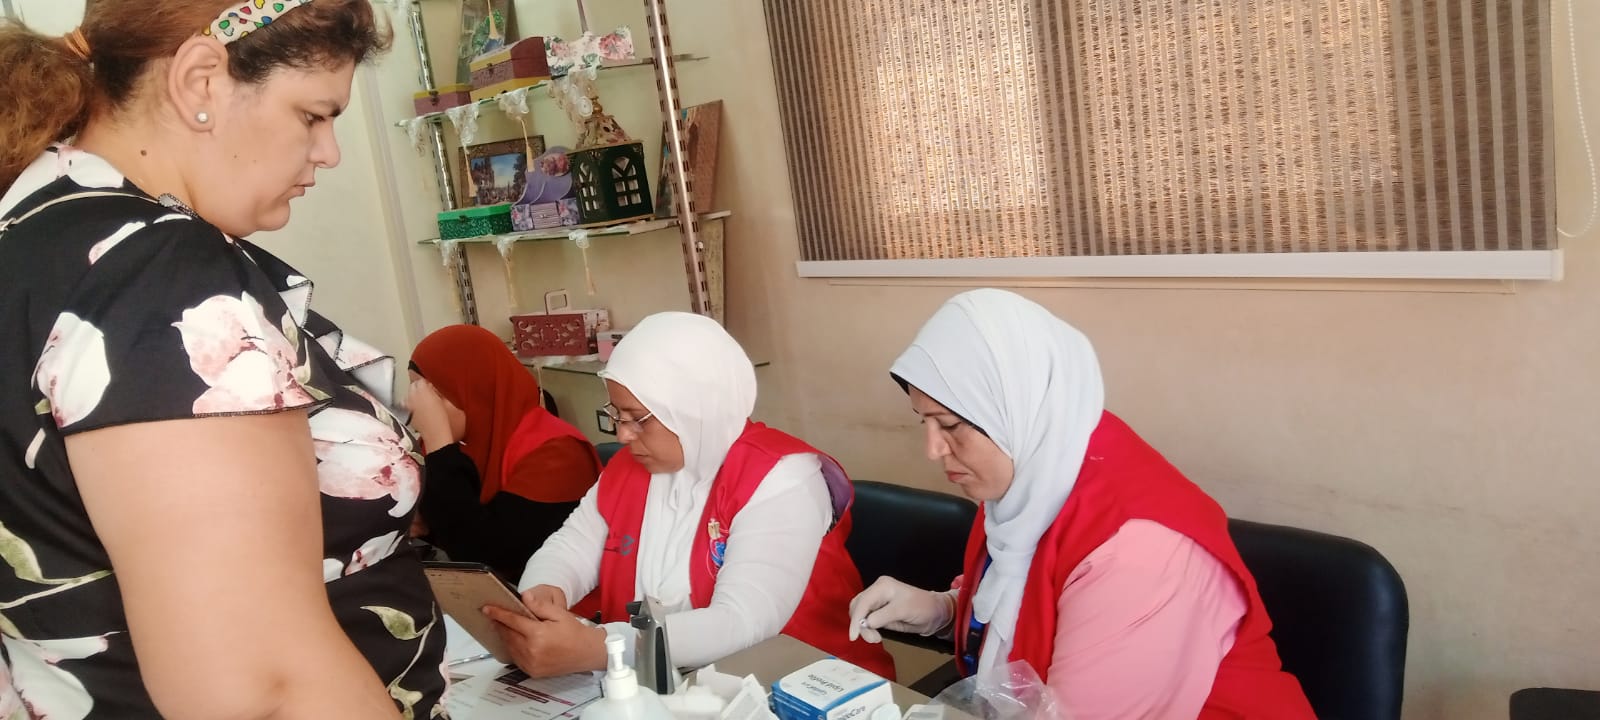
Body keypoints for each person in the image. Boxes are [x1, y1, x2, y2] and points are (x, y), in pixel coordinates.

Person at [0, 2, 447, 717]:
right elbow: (266, 688)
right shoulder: (159, 280)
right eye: (313, 116)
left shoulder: (39, 231)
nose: (328, 152)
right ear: (201, 80)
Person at [848, 289, 1315, 719]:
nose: (933, 449)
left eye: (950, 424)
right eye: (924, 422)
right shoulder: (1035, 472)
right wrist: (943, 611)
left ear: (1017, 408)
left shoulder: (1135, 553)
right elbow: (1025, 602)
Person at [482, 312, 895, 679]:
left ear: (693, 408)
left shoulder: (782, 478)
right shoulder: (633, 466)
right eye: (617, 415)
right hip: (671, 684)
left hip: (802, 688)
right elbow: (572, 545)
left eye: (638, 419)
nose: (623, 435)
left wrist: (602, 648)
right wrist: (543, 592)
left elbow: (743, 622)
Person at [407, 324, 600, 581]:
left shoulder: (559, 453)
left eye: (434, 396)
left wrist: (439, 444)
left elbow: (489, 555)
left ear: (476, 392)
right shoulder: (463, 445)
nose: (420, 409)